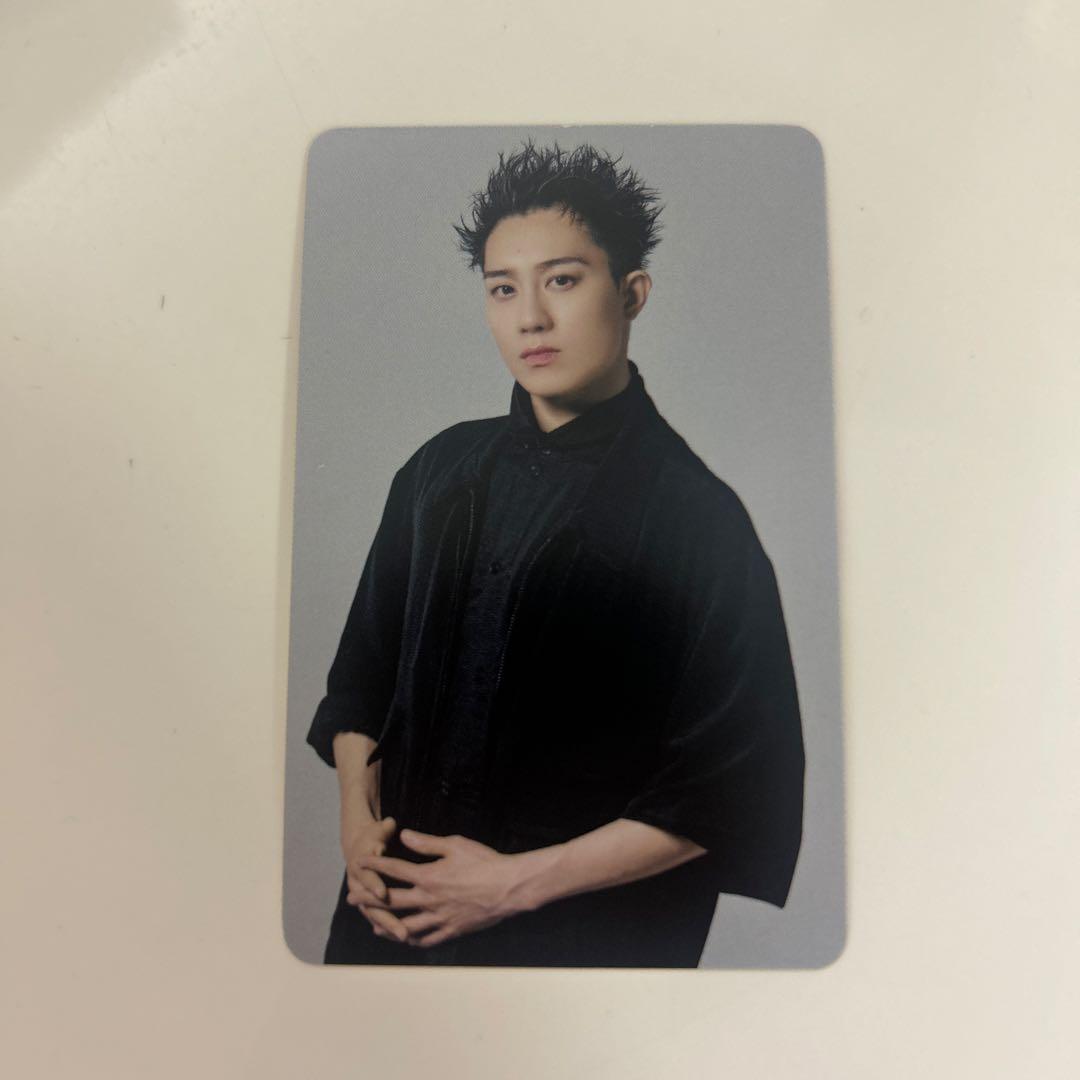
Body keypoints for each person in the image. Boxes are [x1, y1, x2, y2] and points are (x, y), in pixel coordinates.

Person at [306, 141, 805, 968]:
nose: (530, 318)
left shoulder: (700, 520)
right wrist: (358, 830)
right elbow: (361, 682)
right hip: (387, 917)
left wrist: (509, 887)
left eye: (563, 281)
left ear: (632, 293)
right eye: (503, 288)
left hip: (577, 946)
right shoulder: (436, 473)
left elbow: (730, 789)